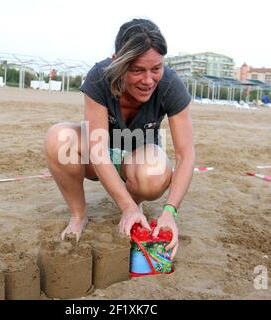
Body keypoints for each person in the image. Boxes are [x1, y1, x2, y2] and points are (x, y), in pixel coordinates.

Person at [45, 19, 195, 259]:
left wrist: (169, 212)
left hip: (138, 156)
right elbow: (97, 151)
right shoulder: (99, 77)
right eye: (136, 70)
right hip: (99, 154)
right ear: (117, 61)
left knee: (155, 172)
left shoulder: (171, 85)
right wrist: (125, 207)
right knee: (58, 139)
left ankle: (135, 206)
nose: (148, 81)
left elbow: (185, 155)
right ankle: (79, 215)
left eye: (156, 68)